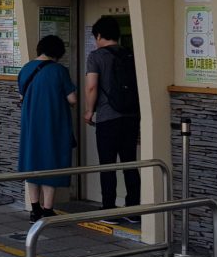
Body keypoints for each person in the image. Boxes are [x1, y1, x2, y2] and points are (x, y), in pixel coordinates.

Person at [84, 16, 141, 224]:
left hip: (108, 117)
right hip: (131, 116)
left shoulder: (96, 56)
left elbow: (91, 86)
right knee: (130, 163)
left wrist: (89, 111)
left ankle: (108, 210)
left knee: (107, 164)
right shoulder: (130, 54)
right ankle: (134, 209)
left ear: (99, 35)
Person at [17, 34, 78, 223]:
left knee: (32, 164)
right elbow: (72, 99)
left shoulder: (25, 69)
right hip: (53, 124)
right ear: (57, 52)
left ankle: (34, 208)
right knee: (52, 162)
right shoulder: (59, 71)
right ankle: (47, 208)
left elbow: (22, 96)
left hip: (30, 125)